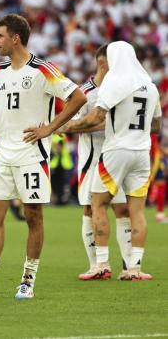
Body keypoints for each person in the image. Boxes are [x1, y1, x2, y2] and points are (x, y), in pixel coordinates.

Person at [0, 14, 86, 299]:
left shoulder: (43, 69)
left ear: (15, 38)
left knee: (33, 216)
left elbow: (78, 97)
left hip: (31, 155)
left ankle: (28, 280)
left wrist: (50, 127)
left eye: (0, 36)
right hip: (2, 154)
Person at [57, 41, 161, 281]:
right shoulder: (150, 86)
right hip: (141, 152)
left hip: (114, 152)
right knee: (137, 212)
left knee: (97, 205)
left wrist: (61, 127)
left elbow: (94, 117)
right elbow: (155, 125)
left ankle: (101, 264)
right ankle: (134, 268)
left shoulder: (115, 82)